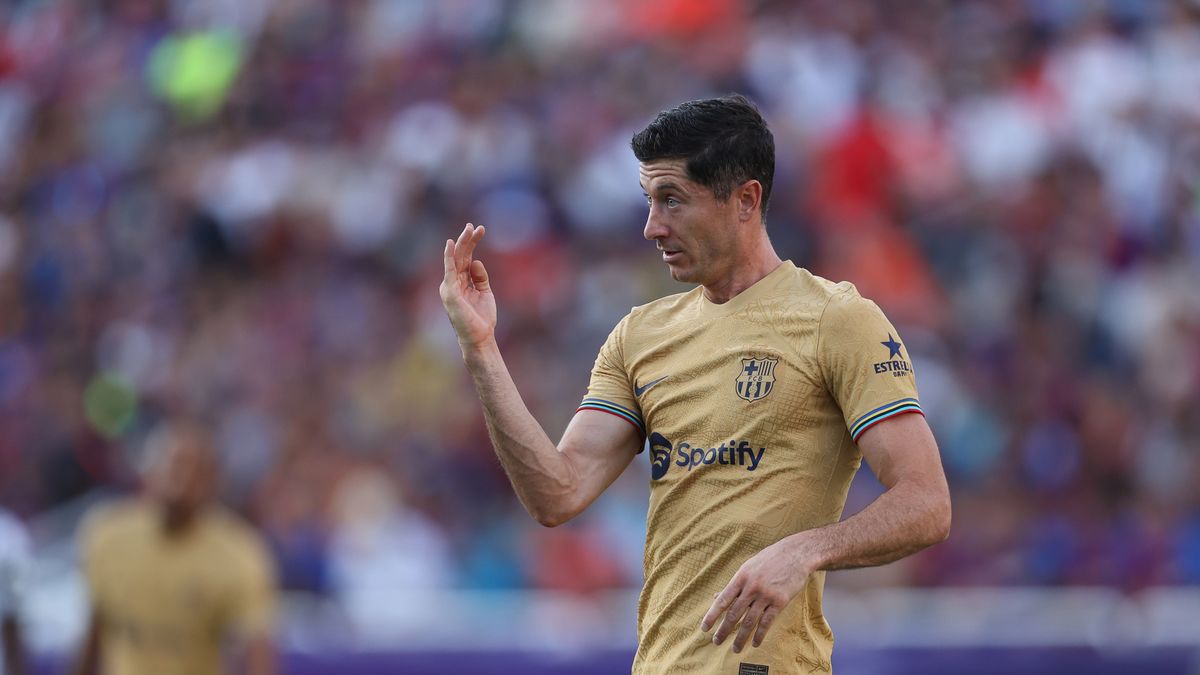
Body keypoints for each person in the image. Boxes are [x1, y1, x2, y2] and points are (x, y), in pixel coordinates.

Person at [439, 94, 951, 674]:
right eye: (650, 201)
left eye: (673, 201)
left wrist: (805, 551)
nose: (652, 226)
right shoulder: (641, 335)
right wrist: (480, 349)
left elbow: (927, 503)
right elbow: (556, 494)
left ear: (745, 200)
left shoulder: (838, 320)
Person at [72, 420, 278, 675]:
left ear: (212, 482)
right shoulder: (109, 536)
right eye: (172, 466)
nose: (180, 479)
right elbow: (95, 631)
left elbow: (256, 650)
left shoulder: (238, 553)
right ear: (149, 471)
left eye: (194, 470)